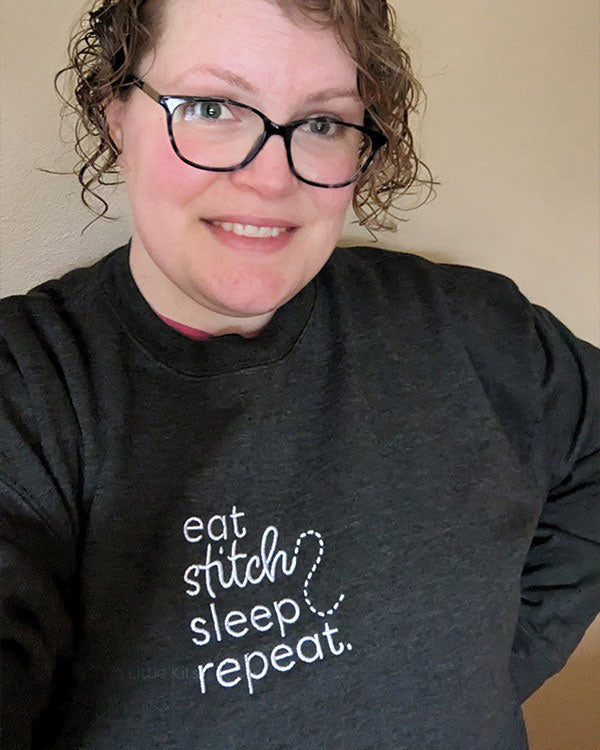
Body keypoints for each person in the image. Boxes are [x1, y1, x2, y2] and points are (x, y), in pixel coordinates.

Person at [0, 0, 598, 747]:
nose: (269, 178)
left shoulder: (476, 329)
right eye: (212, 107)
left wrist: (494, 670)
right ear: (116, 113)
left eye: (321, 123)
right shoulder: (30, 387)